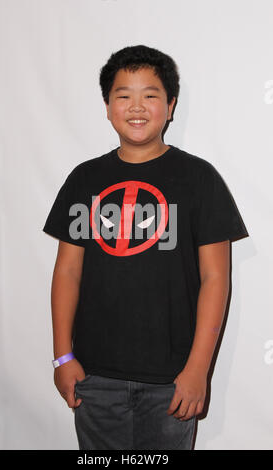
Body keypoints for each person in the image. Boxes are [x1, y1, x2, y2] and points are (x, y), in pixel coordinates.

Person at [42, 45, 249, 450]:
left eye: (150, 95)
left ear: (170, 106)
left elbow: (216, 278)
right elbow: (67, 271)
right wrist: (62, 358)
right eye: (123, 95)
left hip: (173, 381)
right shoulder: (84, 179)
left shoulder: (199, 179)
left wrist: (198, 370)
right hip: (94, 378)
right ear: (106, 106)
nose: (137, 106)